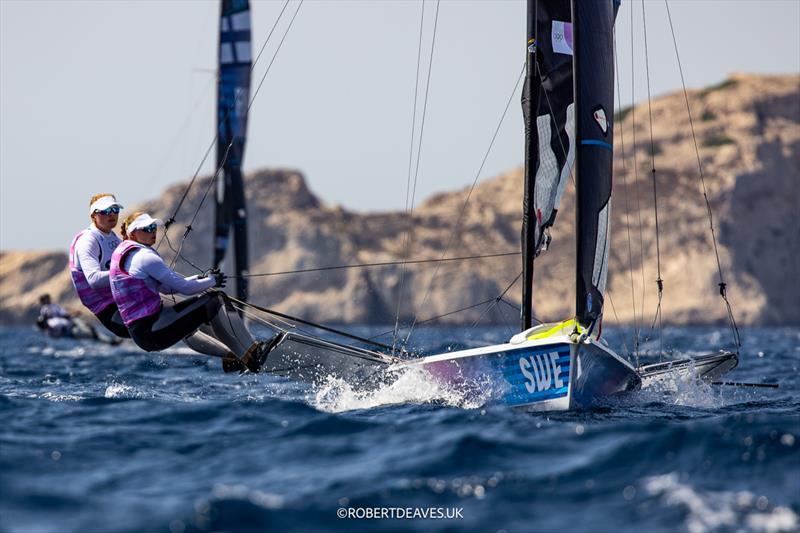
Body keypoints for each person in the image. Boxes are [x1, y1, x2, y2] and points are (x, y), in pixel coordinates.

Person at [109, 211, 270, 372]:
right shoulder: (145, 257)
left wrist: (200, 279)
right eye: (146, 228)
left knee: (202, 305)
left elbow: (166, 288)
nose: (152, 231)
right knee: (216, 300)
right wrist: (213, 281)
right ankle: (252, 354)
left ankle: (235, 358)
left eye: (153, 227)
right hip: (151, 330)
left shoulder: (123, 252)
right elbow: (185, 289)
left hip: (144, 331)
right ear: (132, 232)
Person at [69, 193, 130, 338]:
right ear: (93, 216)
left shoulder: (114, 238)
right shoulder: (88, 240)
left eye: (115, 210)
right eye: (106, 211)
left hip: (126, 300)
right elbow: (94, 280)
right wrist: (130, 273)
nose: (112, 215)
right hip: (111, 312)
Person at [35, 294, 120, 344]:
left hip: (71, 322)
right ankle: (111, 342)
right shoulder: (47, 309)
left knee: (91, 331)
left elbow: (62, 313)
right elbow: (61, 315)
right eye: (47, 298)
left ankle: (110, 341)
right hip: (71, 322)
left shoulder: (52, 307)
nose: (49, 299)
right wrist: (72, 314)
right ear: (44, 300)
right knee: (91, 333)